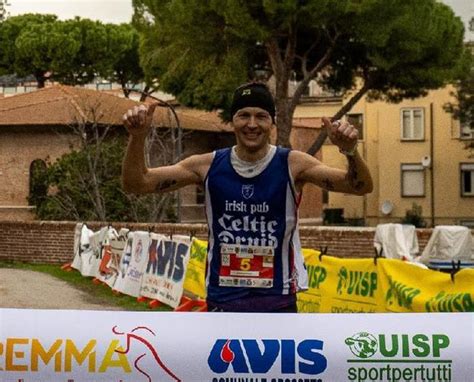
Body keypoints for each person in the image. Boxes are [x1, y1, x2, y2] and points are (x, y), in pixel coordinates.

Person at [122, 82, 373, 313]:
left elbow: (359, 186)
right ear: (232, 121)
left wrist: (350, 151)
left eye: (261, 116)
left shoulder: (293, 164)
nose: (252, 124)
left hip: (278, 299)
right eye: (244, 115)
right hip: (224, 297)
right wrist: (138, 137)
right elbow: (137, 183)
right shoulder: (207, 165)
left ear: (272, 123)